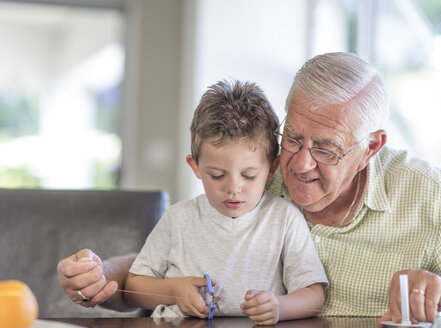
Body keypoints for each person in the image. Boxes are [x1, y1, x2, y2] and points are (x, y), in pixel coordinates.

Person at [58, 52, 441, 325]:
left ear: (371, 146)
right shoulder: (256, 170)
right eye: (293, 137)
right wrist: (100, 277)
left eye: (326, 149)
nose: (299, 164)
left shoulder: (434, 197)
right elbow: (174, 261)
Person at [77, 79, 328, 325]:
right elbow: (133, 287)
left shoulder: (284, 218)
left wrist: (280, 307)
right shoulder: (178, 219)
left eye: (249, 176)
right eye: (216, 175)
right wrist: (173, 290)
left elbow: (314, 296)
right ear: (195, 166)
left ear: (272, 167)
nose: (233, 188)